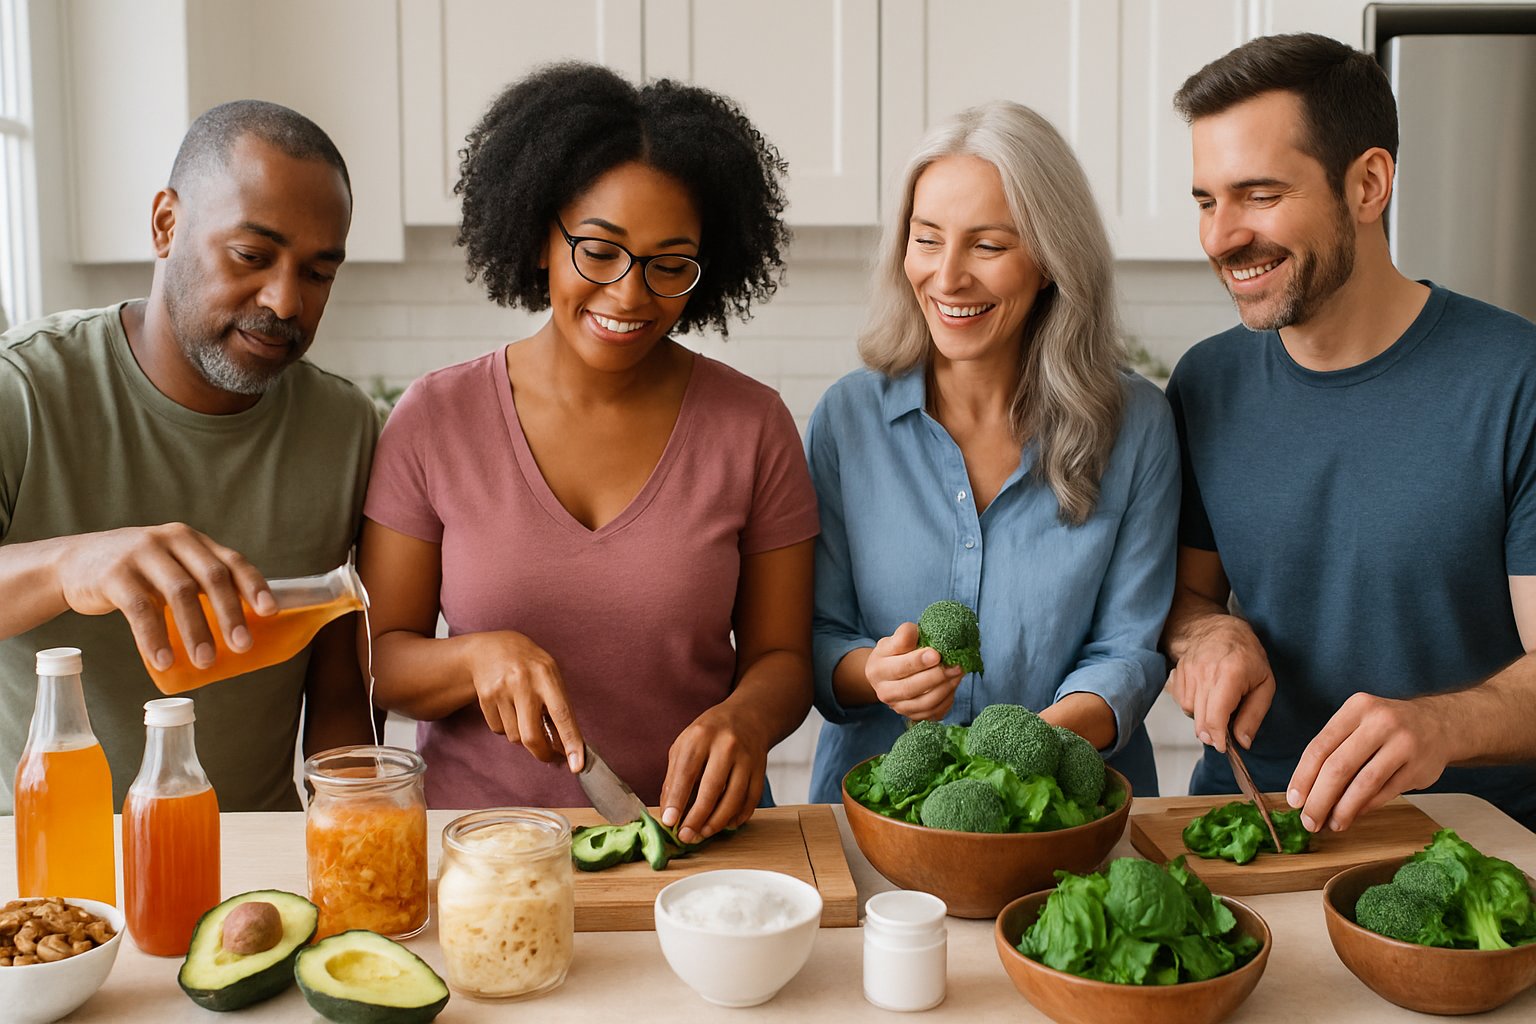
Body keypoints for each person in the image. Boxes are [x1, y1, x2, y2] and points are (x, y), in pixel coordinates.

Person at [359, 63, 817, 844]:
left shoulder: (754, 427)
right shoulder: (436, 418)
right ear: (541, 236)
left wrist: (744, 719)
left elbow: (783, 657)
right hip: (483, 848)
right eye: (598, 251)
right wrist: (475, 659)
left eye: (670, 265)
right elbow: (376, 660)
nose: (630, 295)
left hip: (697, 843)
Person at [1162, 33, 1536, 834]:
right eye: (1205, 199)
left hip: (1467, 845)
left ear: (1369, 183)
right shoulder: (1205, 384)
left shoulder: (1516, 380)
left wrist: (1440, 726)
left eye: (1259, 195)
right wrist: (1210, 635)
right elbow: (1187, 596)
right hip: (1247, 827)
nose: (1220, 237)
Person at [0, 100, 380, 812]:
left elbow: (338, 699)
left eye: (319, 272)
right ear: (166, 225)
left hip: (254, 864)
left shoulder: (346, 428)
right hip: (46, 873)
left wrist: (357, 838)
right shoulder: (21, 391)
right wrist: (67, 563)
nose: (286, 300)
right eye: (251, 256)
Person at [805, 100, 1180, 803]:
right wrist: (873, 671)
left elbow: (1129, 650)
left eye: (989, 245)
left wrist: (1026, 750)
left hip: (1066, 814)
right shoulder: (846, 421)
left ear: (1050, 260)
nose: (947, 278)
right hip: (876, 815)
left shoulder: (1136, 426)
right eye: (926, 239)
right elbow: (818, 634)